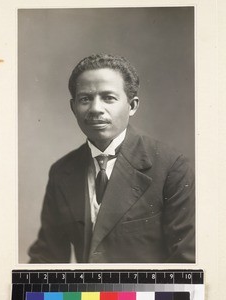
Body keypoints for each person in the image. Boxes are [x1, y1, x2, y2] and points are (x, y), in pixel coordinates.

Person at [28, 53, 195, 263]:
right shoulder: (62, 171)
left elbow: (186, 262)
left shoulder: (171, 167)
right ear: (73, 108)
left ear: (132, 106)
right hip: (85, 296)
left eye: (108, 98)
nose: (96, 109)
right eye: (85, 99)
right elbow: (46, 258)